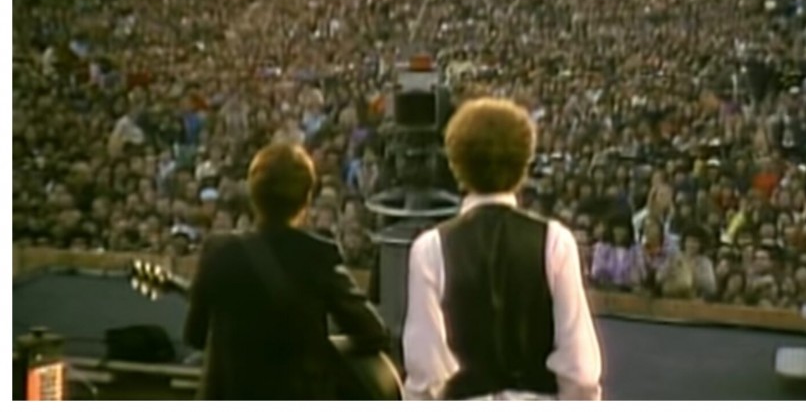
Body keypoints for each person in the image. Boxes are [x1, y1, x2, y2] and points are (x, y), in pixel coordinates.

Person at [402, 98, 602, 401]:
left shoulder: (429, 248)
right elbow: (581, 369)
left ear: (457, 164)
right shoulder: (556, 241)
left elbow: (426, 370)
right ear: (524, 162)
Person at [184, 142, 388, 399]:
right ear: (306, 198)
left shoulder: (217, 251)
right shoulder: (318, 256)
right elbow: (373, 333)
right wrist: (321, 346)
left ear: (253, 192)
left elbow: (194, 336)